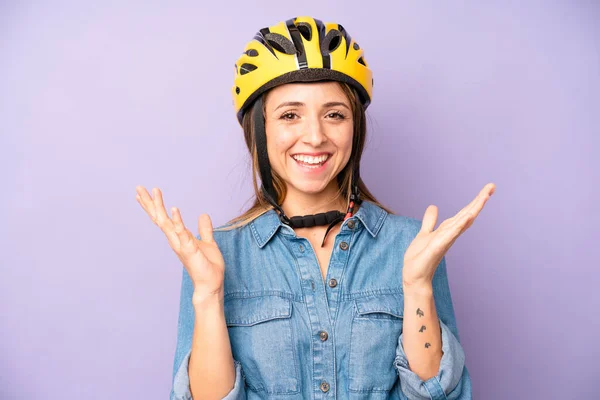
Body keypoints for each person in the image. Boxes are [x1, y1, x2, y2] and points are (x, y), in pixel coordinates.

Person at [135, 16, 495, 400]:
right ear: (260, 129)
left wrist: (418, 285)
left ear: (355, 126)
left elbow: (440, 397)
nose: (315, 136)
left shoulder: (414, 244)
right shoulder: (215, 256)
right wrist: (208, 295)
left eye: (334, 114)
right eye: (290, 115)